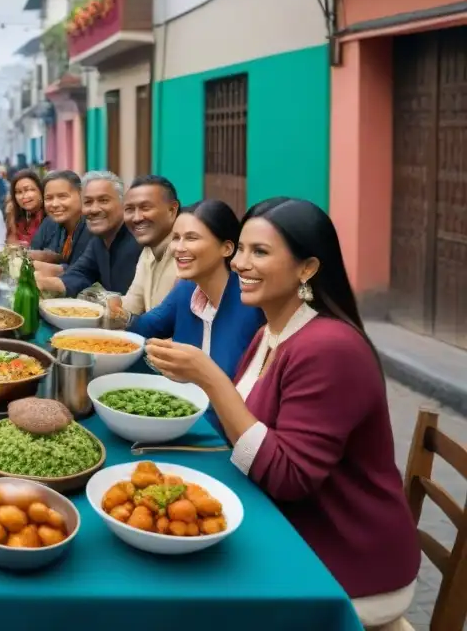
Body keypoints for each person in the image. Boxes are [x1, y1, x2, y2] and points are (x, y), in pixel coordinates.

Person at [146, 198, 419, 630]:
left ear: (307, 269)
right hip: (288, 523)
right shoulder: (273, 331)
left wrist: (211, 378)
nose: (240, 265)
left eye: (261, 252)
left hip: (348, 560)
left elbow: (290, 477)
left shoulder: (329, 348)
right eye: (242, 251)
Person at [129, 200, 265, 430]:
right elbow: (143, 328)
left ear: (227, 248)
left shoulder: (252, 305)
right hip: (182, 421)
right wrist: (112, 314)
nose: (178, 248)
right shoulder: (186, 289)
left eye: (191, 238)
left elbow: (250, 397)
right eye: (175, 237)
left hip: (226, 436)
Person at [36, 171, 142, 297]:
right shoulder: (99, 240)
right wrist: (43, 283)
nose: (94, 209)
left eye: (103, 200)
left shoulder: (139, 239)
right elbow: (81, 273)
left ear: (123, 203)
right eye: (88, 202)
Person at [122, 175, 181, 315]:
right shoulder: (148, 251)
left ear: (172, 210)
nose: (136, 218)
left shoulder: (186, 254)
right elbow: (130, 307)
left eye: (145, 208)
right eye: (129, 209)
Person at [29, 170, 93, 273]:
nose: (54, 204)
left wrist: (54, 264)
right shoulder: (49, 223)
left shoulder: (93, 226)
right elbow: (32, 253)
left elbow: (88, 271)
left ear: (81, 194)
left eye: (62, 196)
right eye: (49, 198)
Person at [6, 169, 45, 246]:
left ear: (41, 190)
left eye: (28, 190)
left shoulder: (51, 218)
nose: (24, 196)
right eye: (19, 192)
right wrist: (11, 219)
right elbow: (11, 247)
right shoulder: (18, 216)